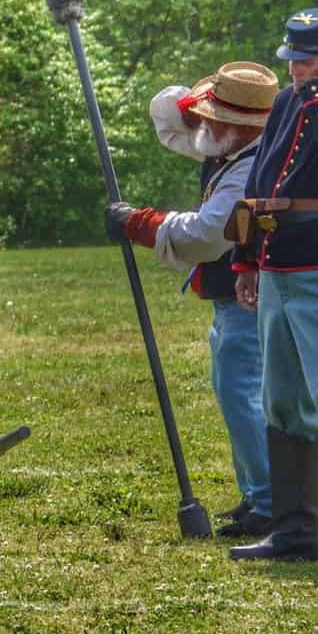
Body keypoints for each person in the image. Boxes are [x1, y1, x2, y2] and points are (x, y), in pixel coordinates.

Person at [106, 62, 278, 538]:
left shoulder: (249, 164)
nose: (204, 124)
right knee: (237, 392)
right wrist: (205, 98)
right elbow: (167, 116)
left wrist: (141, 224)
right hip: (234, 297)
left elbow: (208, 235)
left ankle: (269, 502)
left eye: (216, 117)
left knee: (244, 395)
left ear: (243, 128)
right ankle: (258, 495)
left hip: (251, 296)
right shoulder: (230, 144)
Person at [229, 7, 318, 569]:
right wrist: (247, 260)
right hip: (279, 267)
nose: (295, 71)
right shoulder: (288, 100)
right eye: (293, 59)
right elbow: (264, 180)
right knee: (283, 404)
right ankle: (295, 534)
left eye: (307, 60)